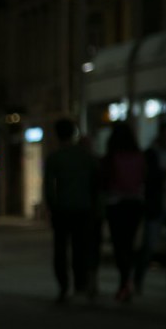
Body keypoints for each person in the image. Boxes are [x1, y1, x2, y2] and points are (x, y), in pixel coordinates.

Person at [43, 117, 100, 303]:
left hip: (62, 210)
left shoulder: (54, 158)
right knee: (80, 248)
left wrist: (52, 206)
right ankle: (80, 285)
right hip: (84, 209)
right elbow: (96, 184)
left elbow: (49, 188)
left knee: (61, 249)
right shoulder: (85, 157)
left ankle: (63, 286)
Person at [134, 119, 166, 295]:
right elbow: (145, 178)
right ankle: (138, 280)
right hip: (157, 206)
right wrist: (162, 176)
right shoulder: (151, 154)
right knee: (149, 246)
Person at [100, 121, 145, 302]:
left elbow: (104, 182)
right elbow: (144, 179)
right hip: (135, 204)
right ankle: (128, 281)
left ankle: (124, 282)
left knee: (120, 245)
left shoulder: (111, 157)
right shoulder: (139, 156)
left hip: (116, 204)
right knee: (130, 243)